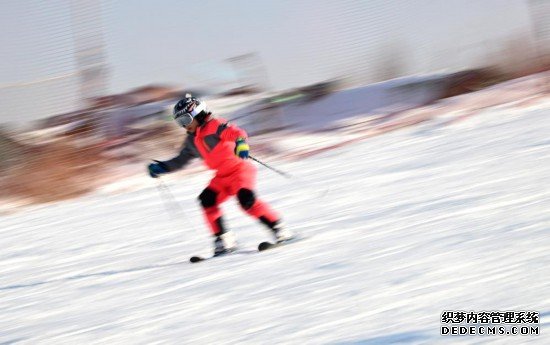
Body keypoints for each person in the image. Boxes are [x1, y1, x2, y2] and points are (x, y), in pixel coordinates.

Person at [148, 95, 293, 256]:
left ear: (197, 113)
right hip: (221, 177)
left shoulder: (214, 125)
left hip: (239, 170)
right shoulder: (191, 141)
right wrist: (162, 167)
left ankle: (279, 229)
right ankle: (223, 240)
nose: (184, 126)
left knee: (246, 200)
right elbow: (181, 160)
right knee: (207, 200)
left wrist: (241, 143)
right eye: (180, 122)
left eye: (185, 119)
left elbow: (237, 132)